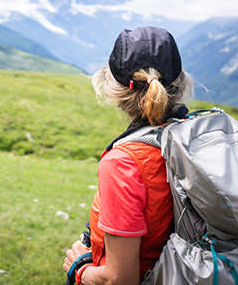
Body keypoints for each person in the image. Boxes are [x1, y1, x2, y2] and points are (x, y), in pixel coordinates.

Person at [63, 27, 193, 285]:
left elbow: (119, 280)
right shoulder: (196, 138)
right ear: (179, 84)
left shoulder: (123, 163)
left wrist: (79, 268)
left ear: (113, 88)